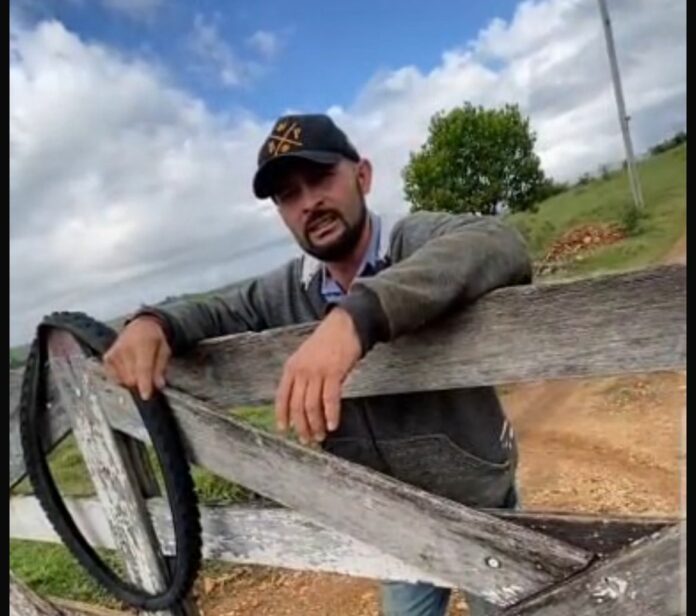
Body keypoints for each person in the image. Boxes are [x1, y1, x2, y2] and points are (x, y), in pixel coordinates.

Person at [104, 113, 532, 616]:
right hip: (390, 522)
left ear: (363, 176)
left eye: (322, 177)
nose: (309, 202)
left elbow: (499, 243)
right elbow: (217, 310)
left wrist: (356, 317)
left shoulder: (412, 240)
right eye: (289, 195)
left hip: (478, 504)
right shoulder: (288, 288)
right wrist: (152, 322)